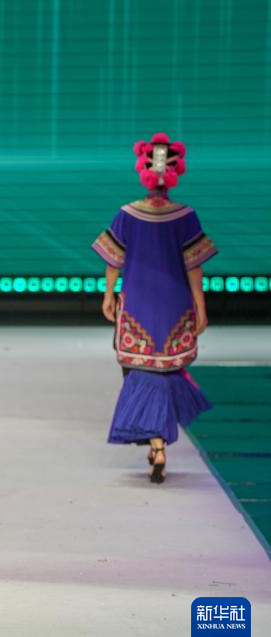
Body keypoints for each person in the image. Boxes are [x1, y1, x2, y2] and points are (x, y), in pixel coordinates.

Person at [92, 133, 218, 484]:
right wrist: (201, 306)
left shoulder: (127, 214)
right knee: (166, 372)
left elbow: (113, 260)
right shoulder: (186, 216)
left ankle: (156, 444)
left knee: (139, 369)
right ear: (174, 173)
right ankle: (159, 443)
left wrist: (107, 294)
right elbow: (194, 266)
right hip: (174, 305)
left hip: (138, 305)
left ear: (143, 171)